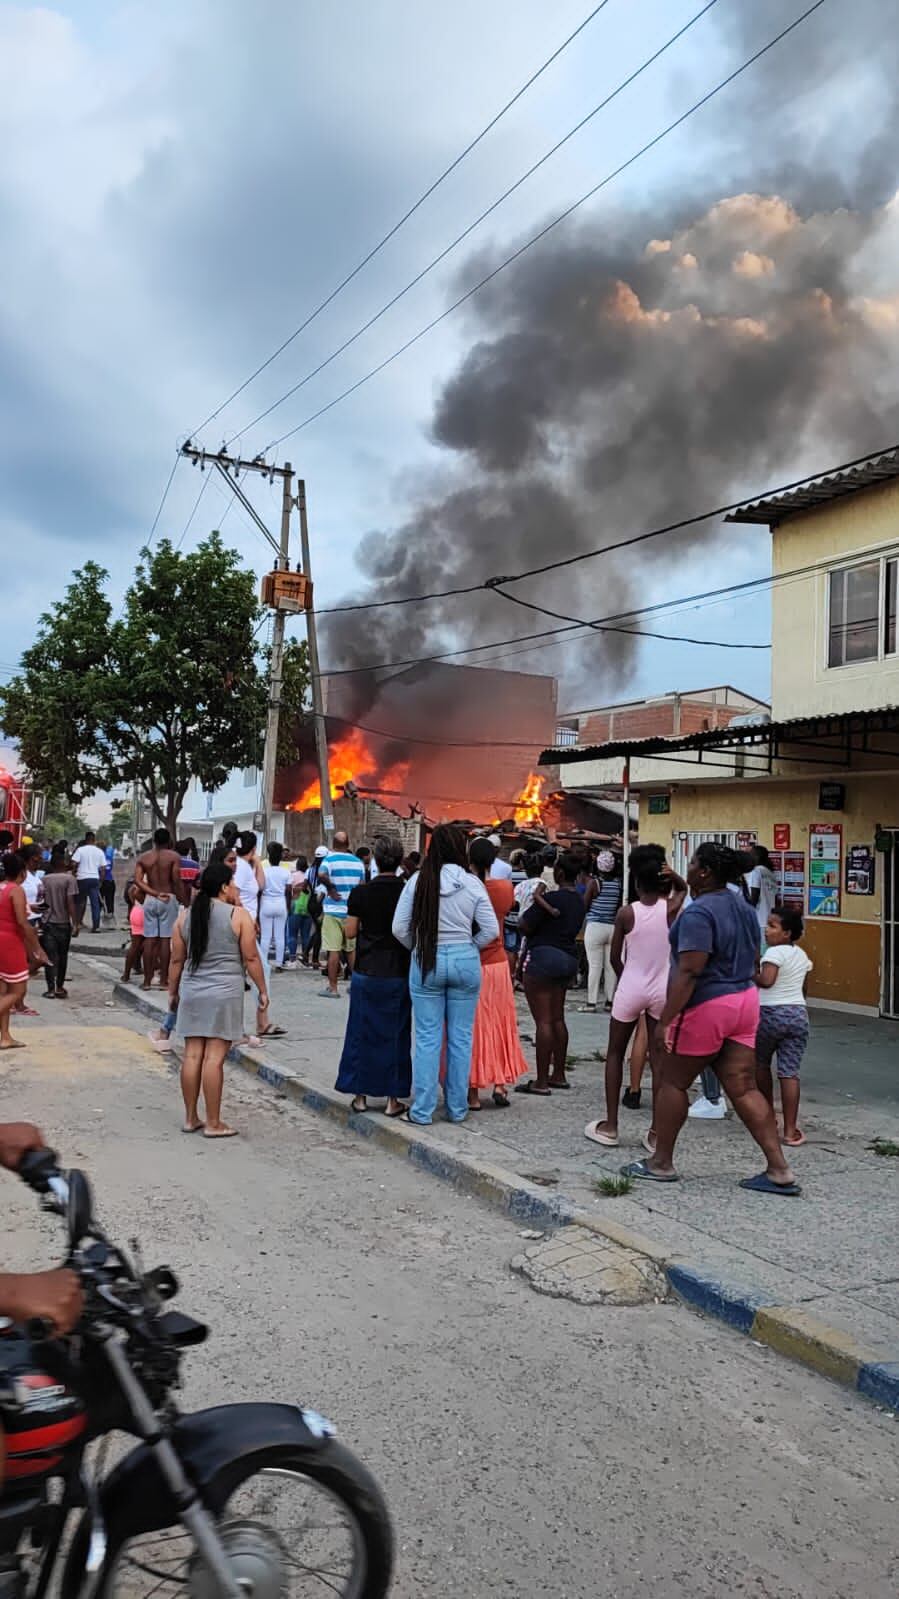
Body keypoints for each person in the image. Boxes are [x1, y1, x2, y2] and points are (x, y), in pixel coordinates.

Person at [620, 842, 800, 1194]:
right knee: (743, 1087)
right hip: (744, 1000)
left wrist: (666, 1020)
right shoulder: (743, 906)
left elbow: (690, 970)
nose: (686, 868)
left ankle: (661, 1162)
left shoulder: (699, 913)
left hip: (706, 1004)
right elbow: (753, 957)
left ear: (704, 872)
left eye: (691, 863)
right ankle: (779, 1170)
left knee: (673, 1082)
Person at [392, 824, 498, 1125]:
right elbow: (491, 929)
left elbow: (399, 928)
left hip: (427, 959)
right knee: (461, 1039)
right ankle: (457, 1108)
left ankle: (422, 1110)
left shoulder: (419, 881)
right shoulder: (472, 883)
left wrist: (417, 947)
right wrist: (469, 947)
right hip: (465, 959)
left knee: (427, 1038)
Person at [584, 847, 686, 1148]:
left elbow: (615, 957)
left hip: (632, 985)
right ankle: (655, 1132)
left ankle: (611, 1125)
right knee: (659, 1060)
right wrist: (674, 875)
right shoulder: (671, 910)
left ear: (637, 884)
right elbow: (684, 889)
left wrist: (626, 977)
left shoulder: (627, 913)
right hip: (661, 989)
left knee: (615, 1053)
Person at [168, 860, 269, 1138]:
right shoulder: (238, 916)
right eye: (233, 883)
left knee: (192, 1055)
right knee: (214, 1059)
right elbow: (251, 958)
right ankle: (213, 1123)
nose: (235, 888)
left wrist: (173, 992)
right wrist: (262, 990)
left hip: (193, 990)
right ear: (224, 887)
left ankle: (191, 1118)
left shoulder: (185, 917)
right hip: (225, 993)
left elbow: (176, 960)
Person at [335, 835, 412, 1116]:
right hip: (398, 970)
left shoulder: (361, 893)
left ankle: (360, 1096)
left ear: (376, 860)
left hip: (366, 969)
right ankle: (393, 1099)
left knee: (361, 1032)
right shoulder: (407, 892)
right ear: (400, 860)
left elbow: (350, 932)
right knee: (396, 1034)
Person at [515, 851, 585, 1095]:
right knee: (557, 1019)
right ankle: (559, 1075)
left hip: (542, 959)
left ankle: (541, 1081)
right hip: (568, 960)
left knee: (543, 1021)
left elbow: (524, 924)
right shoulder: (579, 901)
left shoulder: (550, 898)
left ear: (560, 873)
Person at [466, 837, 528, 1109]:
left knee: (474, 1026)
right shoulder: (504, 888)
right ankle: (500, 1084)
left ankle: (473, 1090)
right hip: (499, 962)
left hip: (475, 960)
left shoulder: (469, 888)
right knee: (501, 1022)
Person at [755, 906, 813, 1147]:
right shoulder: (801, 955)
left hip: (769, 1013)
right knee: (789, 1073)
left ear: (787, 933)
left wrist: (752, 972)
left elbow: (767, 981)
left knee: (760, 1064)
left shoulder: (773, 953)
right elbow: (804, 989)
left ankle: (767, 1117)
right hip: (797, 1013)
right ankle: (790, 1131)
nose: (766, 930)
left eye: (772, 926)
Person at [0, 854, 50, 1048]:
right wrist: (37, 948)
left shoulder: (2, 887)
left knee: (3, 991)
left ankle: (5, 1036)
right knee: (18, 990)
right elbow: (22, 922)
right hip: (10, 943)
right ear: (22, 873)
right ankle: (5, 1036)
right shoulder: (16, 890)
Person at [318, 831, 366, 998]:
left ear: (333, 844)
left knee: (334, 950)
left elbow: (321, 875)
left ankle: (333, 988)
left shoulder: (329, 860)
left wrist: (331, 888)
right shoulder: (358, 863)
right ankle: (356, 986)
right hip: (351, 913)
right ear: (348, 844)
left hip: (333, 911)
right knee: (351, 951)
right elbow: (362, 887)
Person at [134, 828, 183, 990]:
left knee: (149, 939)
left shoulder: (144, 858)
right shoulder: (173, 857)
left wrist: (154, 893)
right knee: (165, 940)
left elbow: (138, 881)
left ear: (154, 841)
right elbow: (176, 880)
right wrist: (182, 898)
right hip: (168, 898)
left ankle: (147, 981)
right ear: (169, 841)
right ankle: (163, 981)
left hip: (150, 899)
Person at [579, 849, 622, 1013]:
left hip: (595, 927)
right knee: (611, 966)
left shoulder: (595, 883)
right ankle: (610, 1002)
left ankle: (591, 1003)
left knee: (595, 966)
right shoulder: (618, 884)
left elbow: (585, 905)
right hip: (612, 928)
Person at [40, 846, 78, 998]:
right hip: (63, 923)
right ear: (63, 863)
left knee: (49, 957)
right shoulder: (70, 879)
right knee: (62, 956)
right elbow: (70, 902)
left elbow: (41, 901)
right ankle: (59, 987)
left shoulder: (44, 880)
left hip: (47, 923)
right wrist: (75, 923)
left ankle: (50, 989)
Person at [260, 841, 290, 972]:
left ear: (269, 858)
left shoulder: (264, 871)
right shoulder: (286, 872)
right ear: (280, 858)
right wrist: (288, 906)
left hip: (266, 902)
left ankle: (263, 963)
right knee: (279, 936)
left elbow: (260, 889)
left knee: (265, 937)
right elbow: (288, 891)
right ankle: (278, 964)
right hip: (281, 902)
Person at [71, 830, 106, 934]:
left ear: (86, 839)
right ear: (94, 840)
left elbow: (73, 863)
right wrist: (101, 881)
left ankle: (77, 925)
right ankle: (96, 927)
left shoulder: (80, 850)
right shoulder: (99, 851)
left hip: (82, 878)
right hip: (94, 878)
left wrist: (74, 872)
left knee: (80, 902)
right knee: (95, 903)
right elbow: (103, 869)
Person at [745, 844, 777, 942]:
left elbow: (754, 897)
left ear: (756, 857)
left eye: (750, 855)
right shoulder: (770, 873)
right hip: (770, 919)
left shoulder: (756, 871)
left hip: (759, 919)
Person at [285, 854, 312, 968]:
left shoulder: (293, 875)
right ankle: (305, 958)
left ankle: (292, 959)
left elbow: (288, 891)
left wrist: (287, 906)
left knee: (292, 934)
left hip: (295, 906)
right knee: (306, 935)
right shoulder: (309, 875)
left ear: (297, 865)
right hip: (308, 908)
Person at [122, 890, 145, 983]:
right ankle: (148, 977)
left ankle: (126, 974)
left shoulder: (137, 884)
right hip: (145, 912)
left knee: (135, 945)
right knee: (150, 945)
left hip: (136, 910)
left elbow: (131, 891)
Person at [98, 837, 116, 922]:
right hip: (110, 881)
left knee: (98, 901)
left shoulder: (98, 858)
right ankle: (110, 916)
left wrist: (100, 882)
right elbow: (110, 868)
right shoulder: (109, 857)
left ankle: (97, 918)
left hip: (101, 881)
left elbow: (102, 870)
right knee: (110, 900)